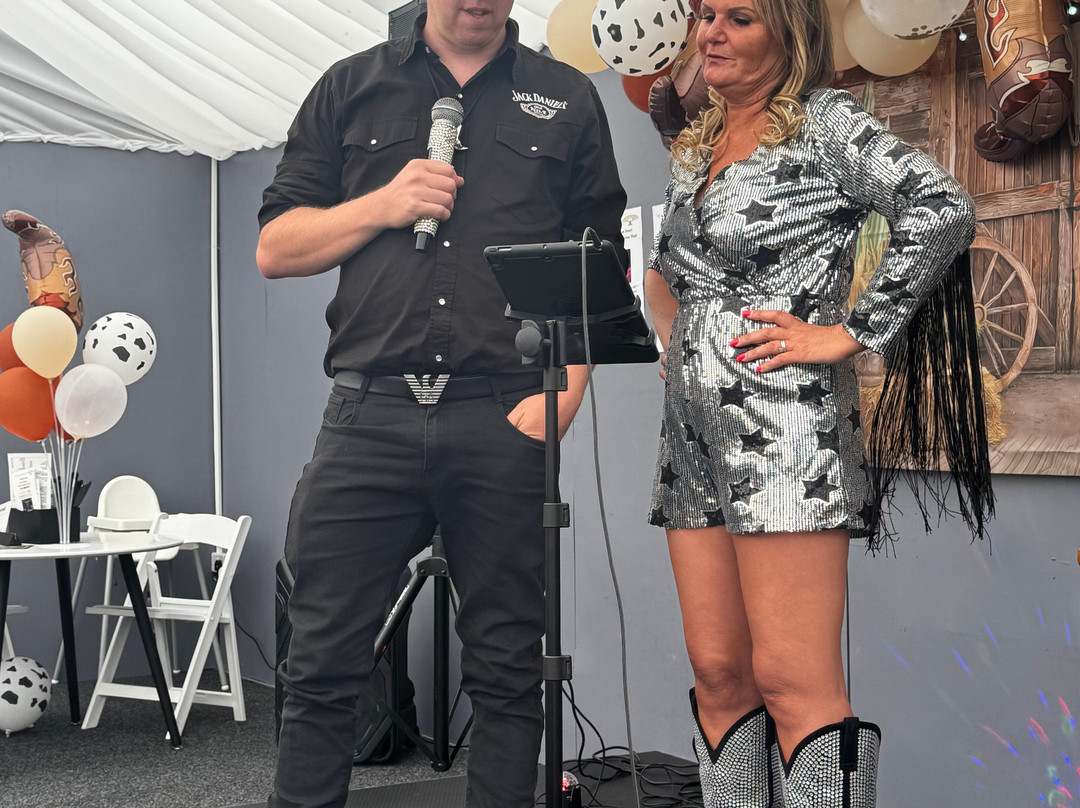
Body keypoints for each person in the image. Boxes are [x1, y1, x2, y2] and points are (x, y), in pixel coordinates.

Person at [255, 0, 627, 805]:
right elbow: (275, 248)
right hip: (367, 417)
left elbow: (599, 263)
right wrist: (383, 203)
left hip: (504, 412)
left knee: (508, 669)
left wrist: (566, 392)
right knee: (320, 665)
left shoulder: (567, 96)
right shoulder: (349, 87)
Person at [643, 1, 993, 806]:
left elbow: (943, 208)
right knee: (718, 671)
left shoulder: (825, 123)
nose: (710, 33)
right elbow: (668, 271)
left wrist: (851, 331)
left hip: (786, 426)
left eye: (738, 18)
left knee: (789, 679)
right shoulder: (699, 142)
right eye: (705, 15)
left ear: (790, 32)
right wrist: (679, 339)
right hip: (691, 434)